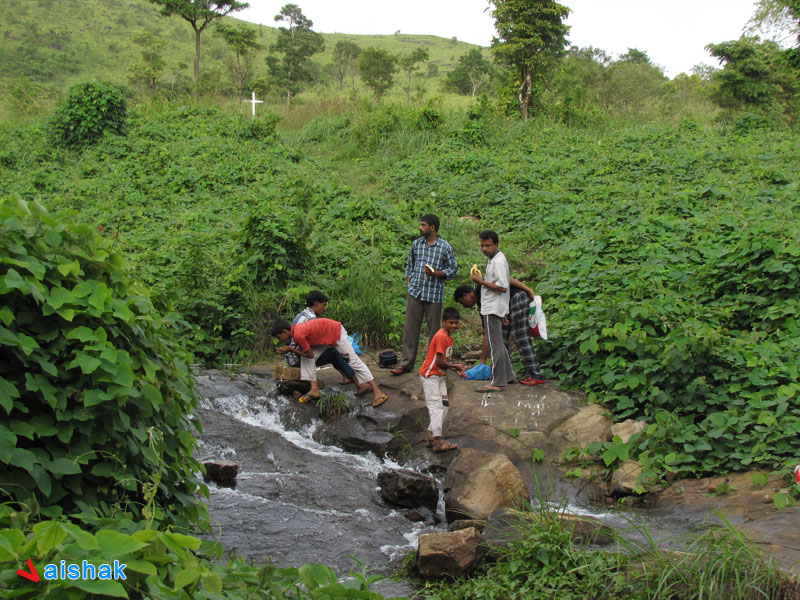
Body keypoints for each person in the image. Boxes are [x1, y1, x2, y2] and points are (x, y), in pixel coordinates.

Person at [391, 214, 458, 375]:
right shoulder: (416, 244)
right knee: (410, 329)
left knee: (435, 332)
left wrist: (437, 273)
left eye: (423, 225)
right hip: (415, 292)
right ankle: (406, 364)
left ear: (432, 228)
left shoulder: (445, 247)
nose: (420, 228)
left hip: (434, 294)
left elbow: (453, 269)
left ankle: (434, 365)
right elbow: (410, 265)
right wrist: (409, 282)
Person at [272, 317, 388, 407]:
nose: (279, 340)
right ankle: (314, 389)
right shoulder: (296, 331)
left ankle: (378, 392)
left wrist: (290, 349)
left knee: (353, 361)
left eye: (278, 337)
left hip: (335, 333)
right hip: (325, 337)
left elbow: (310, 354)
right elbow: (308, 353)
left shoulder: (298, 334)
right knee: (306, 359)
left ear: (284, 332)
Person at [454, 279, 545, 386]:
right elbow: (487, 333)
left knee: (520, 337)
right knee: (500, 340)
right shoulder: (481, 305)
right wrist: (483, 361)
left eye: (462, 302)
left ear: (466, 295)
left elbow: (507, 280)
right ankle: (504, 375)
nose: (463, 305)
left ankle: (536, 375)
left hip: (516, 299)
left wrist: (528, 289)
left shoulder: (482, 288)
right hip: (505, 312)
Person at [284, 290, 363, 391]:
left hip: (294, 355)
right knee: (334, 351)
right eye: (323, 305)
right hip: (298, 358)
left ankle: (348, 377)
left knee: (332, 351)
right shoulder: (311, 320)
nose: (324, 309)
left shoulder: (301, 315)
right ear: (316, 303)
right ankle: (356, 382)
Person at [469, 230, 515, 392]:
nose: (484, 248)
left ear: (496, 244)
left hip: (492, 307)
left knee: (495, 346)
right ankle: (508, 375)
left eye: (488, 245)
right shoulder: (494, 259)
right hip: (497, 307)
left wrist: (480, 282)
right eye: (482, 245)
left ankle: (497, 382)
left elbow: (503, 287)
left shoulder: (498, 262)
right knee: (499, 344)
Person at [419, 307, 468, 453]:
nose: (454, 326)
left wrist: (455, 369)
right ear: (443, 322)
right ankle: (438, 442)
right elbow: (440, 362)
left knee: (444, 406)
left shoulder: (448, 337)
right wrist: (455, 366)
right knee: (436, 407)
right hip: (430, 376)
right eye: (451, 323)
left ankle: (431, 436)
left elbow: (444, 360)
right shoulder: (441, 336)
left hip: (439, 376)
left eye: (456, 323)